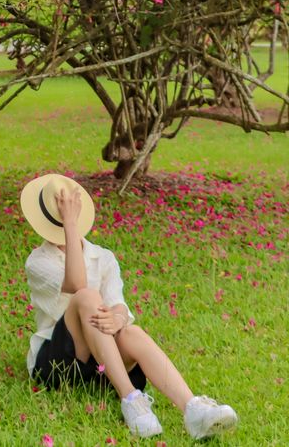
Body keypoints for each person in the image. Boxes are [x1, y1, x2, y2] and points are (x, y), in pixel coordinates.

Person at [20, 173, 238, 440]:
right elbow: (77, 285)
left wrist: (118, 319)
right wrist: (70, 224)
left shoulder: (104, 257)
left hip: (104, 363)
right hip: (59, 364)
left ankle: (193, 408)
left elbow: (119, 306)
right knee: (86, 297)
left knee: (131, 331)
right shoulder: (38, 261)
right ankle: (131, 400)